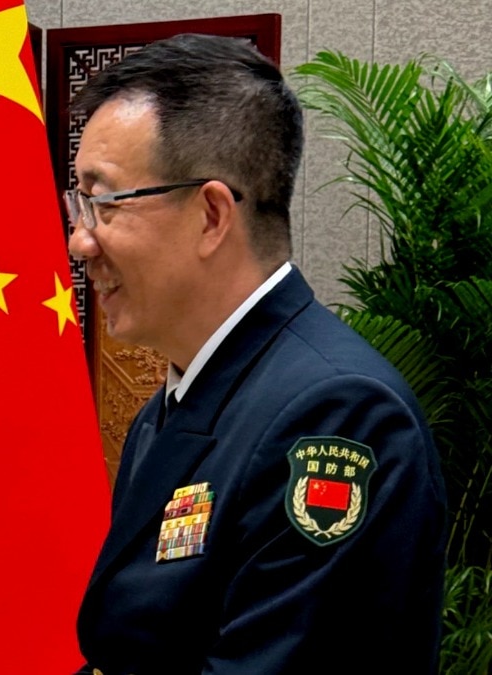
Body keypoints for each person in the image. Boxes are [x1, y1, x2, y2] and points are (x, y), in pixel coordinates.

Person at [66, 34, 446, 674]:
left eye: (103, 203)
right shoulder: (180, 402)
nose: (81, 242)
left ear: (212, 215)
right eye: (78, 204)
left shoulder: (337, 417)